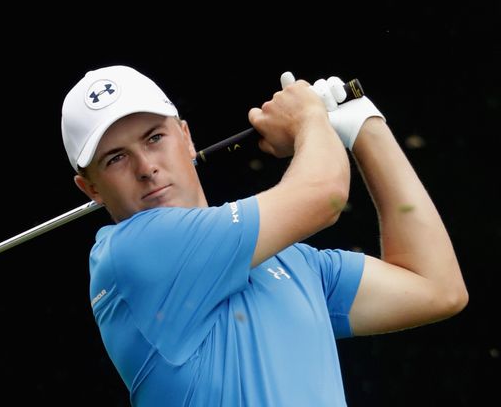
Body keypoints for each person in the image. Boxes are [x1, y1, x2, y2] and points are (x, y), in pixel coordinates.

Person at [60, 65, 468, 406]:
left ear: (186, 137)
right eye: (116, 158)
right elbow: (323, 197)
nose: (146, 166)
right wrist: (308, 117)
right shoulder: (130, 253)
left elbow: (436, 287)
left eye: (154, 138)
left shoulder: (294, 262)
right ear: (91, 188)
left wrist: (365, 126)